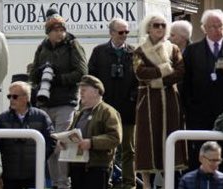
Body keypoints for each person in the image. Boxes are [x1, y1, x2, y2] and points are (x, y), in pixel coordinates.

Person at [31, 14, 88, 189]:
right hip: (46, 103)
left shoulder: (72, 45)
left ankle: (64, 183)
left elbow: (81, 72)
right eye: (55, 30)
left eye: (62, 29)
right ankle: (55, 183)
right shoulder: (43, 47)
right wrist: (41, 72)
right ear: (48, 32)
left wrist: (59, 79)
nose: (60, 33)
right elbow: (32, 74)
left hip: (66, 102)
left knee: (60, 145)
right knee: (49, 146)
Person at [182, 8, 223, 156]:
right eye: (213, 26)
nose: (218, 30)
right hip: (199, 113)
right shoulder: (193, 50)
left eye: (220, 26)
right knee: (200, 154)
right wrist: (189, 107)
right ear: (204, 28)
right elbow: (184, 82)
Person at [133, 13, 186, 186]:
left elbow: (179, 72)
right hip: (148, 101)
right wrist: (164, 69)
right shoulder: (140, 50)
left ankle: (167, 182)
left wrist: (158, 80)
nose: (160, 28)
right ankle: (147, 183)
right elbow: (140, 73)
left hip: (170, 100)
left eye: (163, 25)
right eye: (156, 25)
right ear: (148, 27)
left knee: (169, 136)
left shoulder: (173, 49)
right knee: (147, 140)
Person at [87, 18, 137, 189]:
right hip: (105, 109)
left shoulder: (133, 52)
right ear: (111, 32)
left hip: (128, 108)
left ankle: (129, 183)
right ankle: (106, 181)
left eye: (127, 32)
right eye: (121, 32)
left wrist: (133, 98)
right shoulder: (99, 52)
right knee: (107, 147)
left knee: (129, 149)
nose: (124, 36)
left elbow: (139, 80)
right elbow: (91, 78)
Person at [62, 76, 122, 189]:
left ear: (96, 91)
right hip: (77, 167)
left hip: (97, 168)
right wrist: (64, 141)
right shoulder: (79, 113)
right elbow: (71, 133)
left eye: (84, 90)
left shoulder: (108, 112)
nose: (81, 93)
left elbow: (115, 138)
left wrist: (92, 143)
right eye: (80, 90)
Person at [0, 78, 56, 189]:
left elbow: (51, 141)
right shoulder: (2, 119)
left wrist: (39, 157)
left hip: (33, 175)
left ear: (26, 98)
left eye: (15, 96)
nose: (11, 100)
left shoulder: (41, 116)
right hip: (10, 177)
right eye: (9, 96)